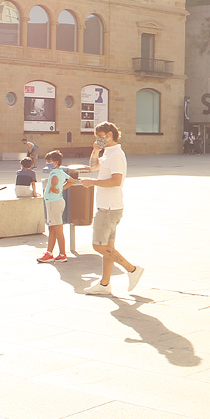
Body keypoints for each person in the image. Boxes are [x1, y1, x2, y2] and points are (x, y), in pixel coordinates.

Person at [74, 121, 144, 295]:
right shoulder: (107, 153)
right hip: (108, 206)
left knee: (98, 246)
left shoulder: (116, 155)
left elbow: (116, 180)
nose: (99, 140)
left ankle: (132, 269)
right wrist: (96, 150)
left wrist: (93, 183)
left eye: (100, 137)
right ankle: (105, 285)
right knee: (108, 248)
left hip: (109, 208)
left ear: (109, 135)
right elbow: (92, 167)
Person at [37, 150, 69, 263]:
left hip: (53, 202)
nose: (47, 164)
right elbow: (71, 180)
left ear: (55, 162)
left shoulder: (54, 173)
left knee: (58, 229)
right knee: (52, 228)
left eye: (49, 162)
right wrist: (60, 189)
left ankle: (62, 254)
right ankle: (49, 252)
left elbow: (55, 180)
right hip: (57, 201)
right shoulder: (61, 172)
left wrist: (54, 187)